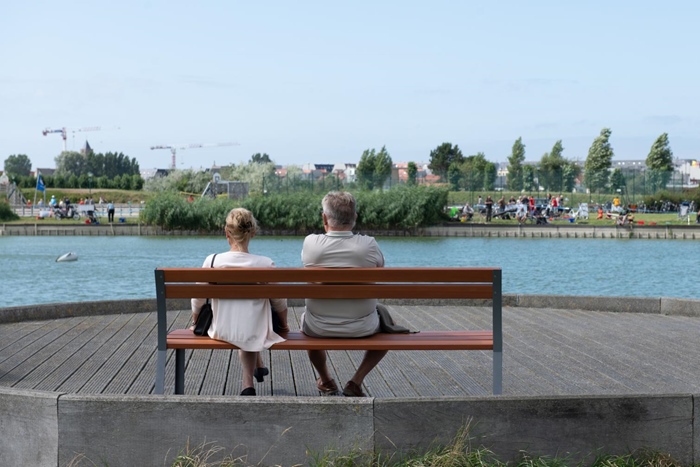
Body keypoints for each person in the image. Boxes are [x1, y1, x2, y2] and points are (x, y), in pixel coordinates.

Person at [191, 208, 289, 396]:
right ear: (253, 233)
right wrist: (284, 324)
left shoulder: (212, 261)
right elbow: (280, 303)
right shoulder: (265, 264)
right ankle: (247, 382)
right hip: (253, 329)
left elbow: (198, 299)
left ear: (227, 233)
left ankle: (257, 369)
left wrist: (195, 321)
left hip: (221, 328)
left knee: (246, 315)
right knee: (255, 314)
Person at [301, 191, 387, 397]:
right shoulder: (369, 245)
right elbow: (380, 267)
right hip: (363, 326)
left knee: (306, 319)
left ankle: (327, 380)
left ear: (324, 218)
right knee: (388, 323)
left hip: (317, 327)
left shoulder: (311, 244)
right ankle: (356, 381)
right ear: (354, 218)